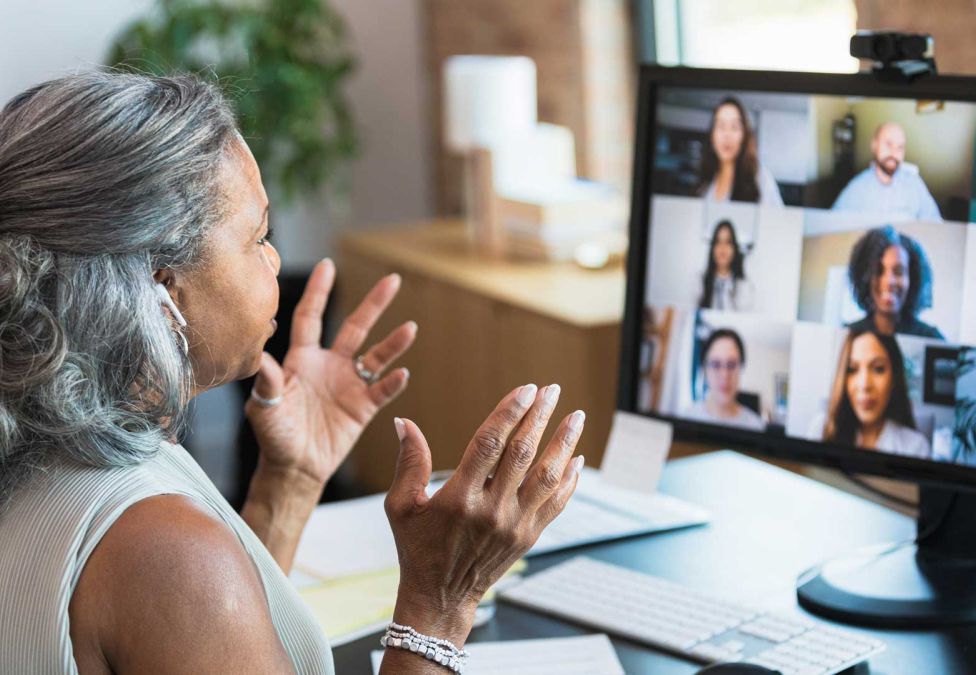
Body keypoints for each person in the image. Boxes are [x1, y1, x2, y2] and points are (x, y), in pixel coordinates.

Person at [0, 72, 585, 674]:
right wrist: (439, 604)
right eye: (257, 236)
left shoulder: (52, 453)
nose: (275, 259)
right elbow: (184, 590)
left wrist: (291, 482)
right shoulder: (159, 547)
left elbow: (193, 639)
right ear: (161, 287)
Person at [810, 327, 930, 459]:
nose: (864, 385)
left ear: (894, 378)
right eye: (852, 369)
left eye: (878, 369)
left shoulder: (916, 447)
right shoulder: (821, 429)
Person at [846, 225, 944, 339]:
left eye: (899, 271)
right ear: (865, 277)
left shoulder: (931, 339)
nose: (889, 281)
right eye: (879, 271)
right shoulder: (849, 334)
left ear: (912, 279)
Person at [832, 122, 942, 222]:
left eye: (900, 147)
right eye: (888, 144)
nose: (894, 153)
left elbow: (935, 222)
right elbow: (833, 225)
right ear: (874, 146)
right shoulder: (856, 189)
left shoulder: (915, 184)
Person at [698, 96, 783, 206]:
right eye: (721, 126)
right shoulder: (706, 182)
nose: (727, 135)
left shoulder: (760, 179)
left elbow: (778, 220)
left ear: (744, 136)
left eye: (734, 127)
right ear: (712, 136)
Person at [681, 328, 765, 431]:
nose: (724, 375)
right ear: (704, 369)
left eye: (731, 365)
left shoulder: (756, 426)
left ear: (741, 368)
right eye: (716, 364)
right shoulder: (687, 417)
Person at [698, 219, 754, 311]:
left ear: (734, 248)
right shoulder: (700, 281)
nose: (722, 248)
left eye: (728, 242)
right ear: (712, 248)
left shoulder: (744, 285)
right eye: (718, 242)